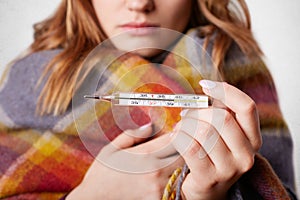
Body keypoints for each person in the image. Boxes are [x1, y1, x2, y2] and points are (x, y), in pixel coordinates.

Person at [0, 0, 297, 199]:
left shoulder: (242, 73)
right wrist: (88, 196)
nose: (140, 4)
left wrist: (203, 195)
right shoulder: (27, 83)